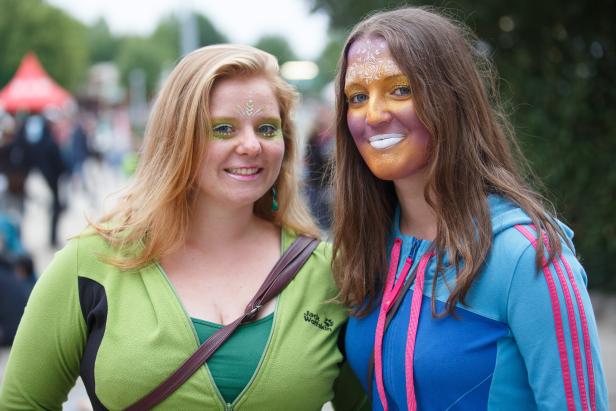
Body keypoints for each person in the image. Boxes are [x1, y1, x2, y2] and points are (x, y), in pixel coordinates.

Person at [0, 45, 367, 410]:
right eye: (223, 128)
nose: (252, 145)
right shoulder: (92, 263)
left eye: (267, 128)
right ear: (178, 138)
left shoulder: (326, 272)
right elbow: (22, 403)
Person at [331, 7, 608, 411]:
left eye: (400, 90)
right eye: (358, 97)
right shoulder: (365, 248)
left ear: (450, 97)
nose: (373, 115)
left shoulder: (529, 259)